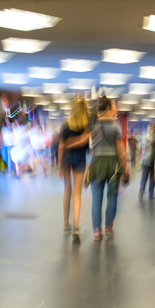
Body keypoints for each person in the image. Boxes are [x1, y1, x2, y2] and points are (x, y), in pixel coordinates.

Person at [89, 95, 129, 241]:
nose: (116, 110)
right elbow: (121, 151)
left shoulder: (93, 126)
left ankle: (97, 231)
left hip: (96, 163)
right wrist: (126, 167)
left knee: (96, 198)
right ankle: (109, 227)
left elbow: (91, 146)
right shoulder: (116, 127)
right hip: (112, 164)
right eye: (114, 107)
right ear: (108, 109)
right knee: (112, 197)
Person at [57, 96, 90, 242]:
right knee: (77, 193)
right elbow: (87, 145)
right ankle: (76, 226)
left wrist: (59, 165)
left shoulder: (65, 125)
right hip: (80, 159)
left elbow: (61, 147)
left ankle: (66, 223)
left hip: (66, 159)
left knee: (67, 190)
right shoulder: (87, 126)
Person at [139, 124, 155, 200]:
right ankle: (151, 194)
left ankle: (142, 190)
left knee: (144, 177)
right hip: (153, 160)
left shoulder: (145, 138)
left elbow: (142, 148)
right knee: (152, 179)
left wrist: (140, 158)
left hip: (145, 160)